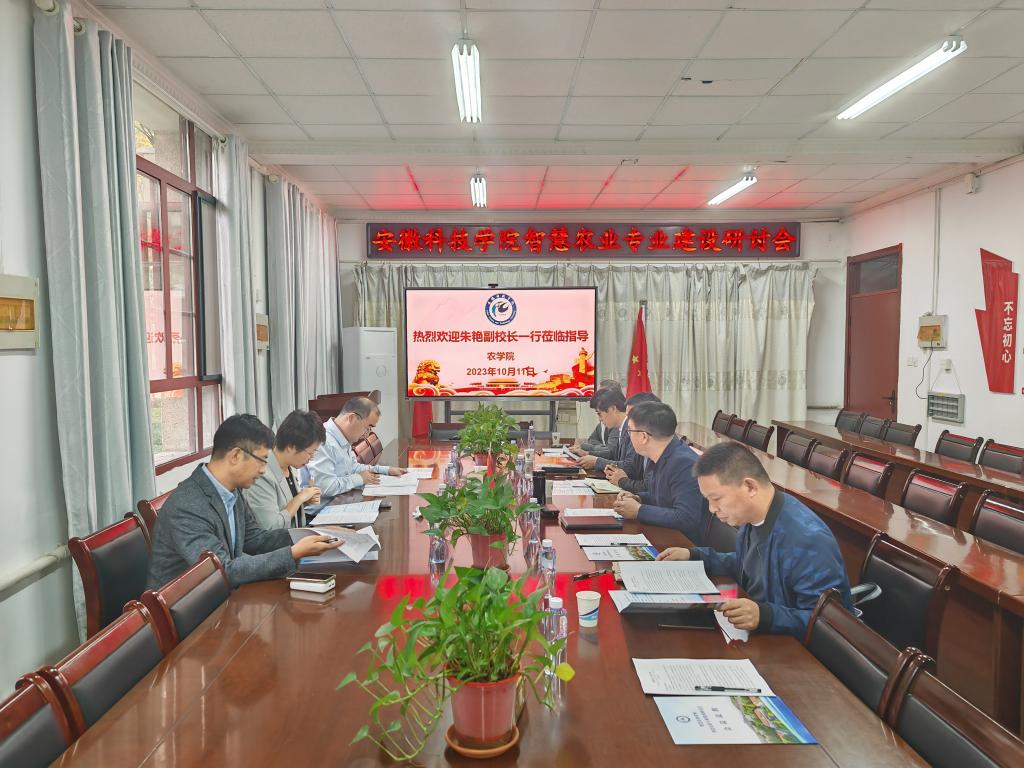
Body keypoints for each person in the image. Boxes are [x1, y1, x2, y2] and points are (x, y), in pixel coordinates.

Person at [656, 442, 853, 638]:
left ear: (750, 487)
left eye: (716, 498)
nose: (712, 509)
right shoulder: (753, 517)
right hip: (762, 634)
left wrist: (766, 615)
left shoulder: (808, 540)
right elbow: (749, 564)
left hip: (792, 649)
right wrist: (695, 555)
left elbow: (828, 625)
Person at [146, 414, 342, 590]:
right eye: (262, 460)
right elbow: (222, 570)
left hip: (219, 595)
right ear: (236, 456)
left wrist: (311, 534)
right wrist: (292, 553)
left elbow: (255, 539)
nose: (264, 470)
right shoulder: (188, 506)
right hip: (190, 609)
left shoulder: (232, 490)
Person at [612, 402, 709, 543]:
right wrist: (638, 498)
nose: (628, 436)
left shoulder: (684, 463)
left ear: (643, 437)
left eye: (630, 431)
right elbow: (663, 496)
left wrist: (639, 510)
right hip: (665, 534)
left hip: (683, 544)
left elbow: (686, 517)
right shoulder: (663, 454)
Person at [308, 396, 405, 499]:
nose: (368, 433)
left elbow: (353, 467)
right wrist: (359, 478)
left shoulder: (343, 438)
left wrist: (387, 470)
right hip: (326, 507)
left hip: (342, 499)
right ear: (352, 418)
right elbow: (324, 487)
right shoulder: (323, 441)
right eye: (368, 427)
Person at [243, 410, 325, 530]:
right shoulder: (261, 475)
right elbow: (271, 527)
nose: (311, 458)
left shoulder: (289, 466)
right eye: (310, 453)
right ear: (291, 447)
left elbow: (285, 504)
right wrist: (299, 498)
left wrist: (305, 500)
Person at [575, 388, 626, 463]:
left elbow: (629, 466)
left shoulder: (631, 429)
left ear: (613, 409)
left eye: (599, 414)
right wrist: (587, 454)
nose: (599, 419)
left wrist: (596, 462)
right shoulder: (623, 427)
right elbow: (613, 454)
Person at [572, 380, 622, 454]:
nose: (596, 398)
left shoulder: (617, 423)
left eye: (600, 394)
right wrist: (602, 447)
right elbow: (591, 440)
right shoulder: (603, 422)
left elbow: (611, 452)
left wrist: (586, 449)